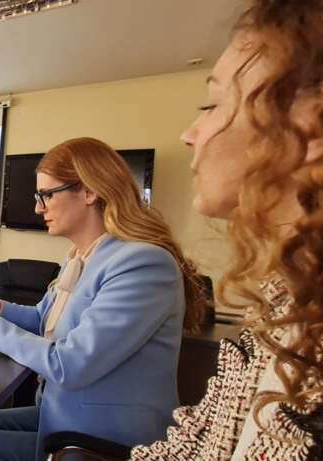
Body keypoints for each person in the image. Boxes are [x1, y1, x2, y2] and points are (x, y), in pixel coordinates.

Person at [131, 1, 322, 459]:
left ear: (312, 127)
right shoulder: (280, 312)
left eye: (212, 105)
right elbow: (196, 442)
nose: (189, 134)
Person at [0, 137, 205, 461]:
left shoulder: (142, 264)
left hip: (106, 440)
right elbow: (42, 320)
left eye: (47, 195)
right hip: (64, 415)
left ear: (89, 191)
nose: (39, 208)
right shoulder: (79, 259)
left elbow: (69, 364)